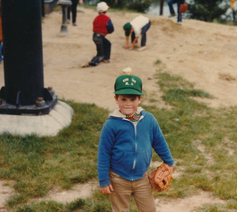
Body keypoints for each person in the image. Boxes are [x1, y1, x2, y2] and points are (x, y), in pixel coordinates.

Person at [97, 74, 175, 212]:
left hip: (142, 178)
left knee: (149, 209)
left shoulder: (148, 119)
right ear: (116, 99)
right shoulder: (111, 124)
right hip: (118, 178)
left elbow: (159, 141)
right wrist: (103, 180)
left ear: (140, 99)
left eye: (132, 99)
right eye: (123, 99)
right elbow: (103, 153)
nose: (127, 103)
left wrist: (169, 161)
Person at [83, 2, 114, 67]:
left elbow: (94, 26)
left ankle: (103, 58)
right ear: (106, 11)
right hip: (100, 37)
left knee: (103, 46)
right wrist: (108, 31)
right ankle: (96, 61)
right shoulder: (107, 18)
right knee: (103, 50)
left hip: (95, 36)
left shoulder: (96, 18)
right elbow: (111, 28)